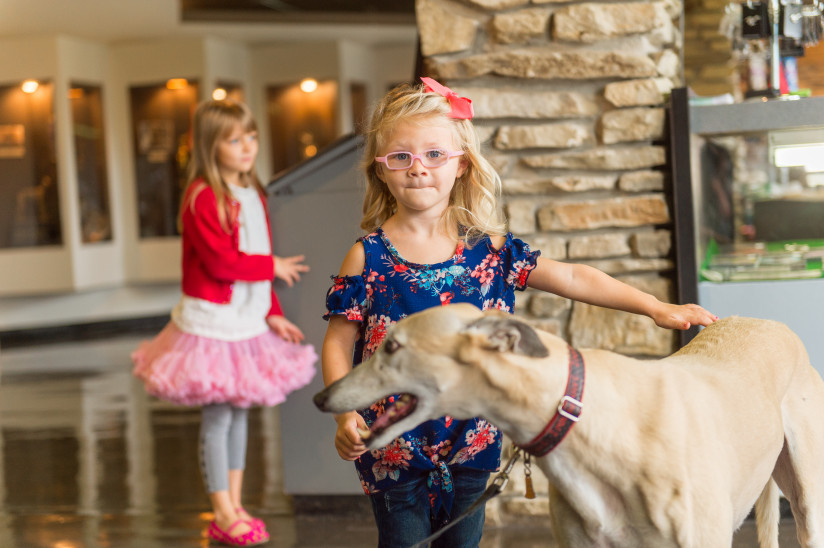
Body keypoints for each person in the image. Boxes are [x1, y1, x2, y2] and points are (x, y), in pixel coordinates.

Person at [321, 78, 718, 548]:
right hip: (393, 445)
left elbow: (572, 278)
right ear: (380, 170)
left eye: (434, 155)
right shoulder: (367, 257)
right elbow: (338, 343)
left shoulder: (491, 251)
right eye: (401, 157)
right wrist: (345, 418)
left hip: (474, 439)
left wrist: (654, 306)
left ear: (461, 165)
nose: (418, 169)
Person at [133, 99, 317, 547]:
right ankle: (221, 509)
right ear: (210, 147)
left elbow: (257, 257)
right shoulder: (203, 196)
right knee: (218, 419)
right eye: (234, 140)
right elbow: (220, 262)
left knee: (239, 417)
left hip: (247, 322)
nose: (247, 146)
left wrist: (272, 311)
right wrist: (271, 266)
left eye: (251, 136)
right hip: (213, 324)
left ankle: (233, 506)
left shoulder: (254, 192)